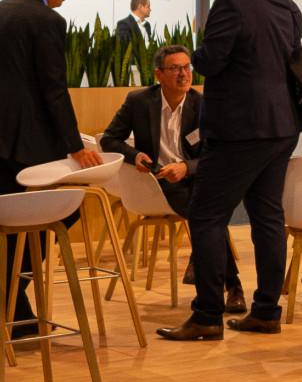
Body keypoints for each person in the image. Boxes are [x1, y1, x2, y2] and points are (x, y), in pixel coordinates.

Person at [158, 0, 302, 341]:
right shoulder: (287, 6)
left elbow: (210, 61)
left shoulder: (231, 4)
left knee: (206, 216)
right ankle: (266, 312)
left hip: (239, 130)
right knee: (268, 218)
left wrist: (197, 50)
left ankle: (206, 315)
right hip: (281, 127)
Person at [0, 0, 102, 333]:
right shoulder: (47, 20)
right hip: (29, 144)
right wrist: (74, 145)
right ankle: (4, 291)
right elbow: (53, 89)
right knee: (61, 211)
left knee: (6, 220)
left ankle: (9, 305)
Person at [100, 43, 245, 315]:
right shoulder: (139, 101)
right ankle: (232, 286)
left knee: (210, 206)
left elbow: (217, 152)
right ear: (159, 74)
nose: (183, 74)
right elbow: (109, 139)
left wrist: (186, 168)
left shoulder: (202, 104)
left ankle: (208, 268)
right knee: (208, 212)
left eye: (187, 67)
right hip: (154, 183)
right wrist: (135, 156)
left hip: (193, 180)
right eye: (175, 68)